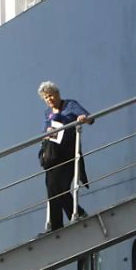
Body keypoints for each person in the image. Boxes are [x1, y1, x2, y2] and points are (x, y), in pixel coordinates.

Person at [38, 81, 92, 232]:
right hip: (53, 155)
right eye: (46, 98)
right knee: (51, 188)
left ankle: (79, 213)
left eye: (50, 95)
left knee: (60, 188)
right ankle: (56, 227)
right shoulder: (47, 113)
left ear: (57, 93)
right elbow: (44, 132)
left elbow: (89, 118)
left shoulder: (70, 105)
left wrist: (82, 118)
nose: (49, 99)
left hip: (68, 152)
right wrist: (48, 131)